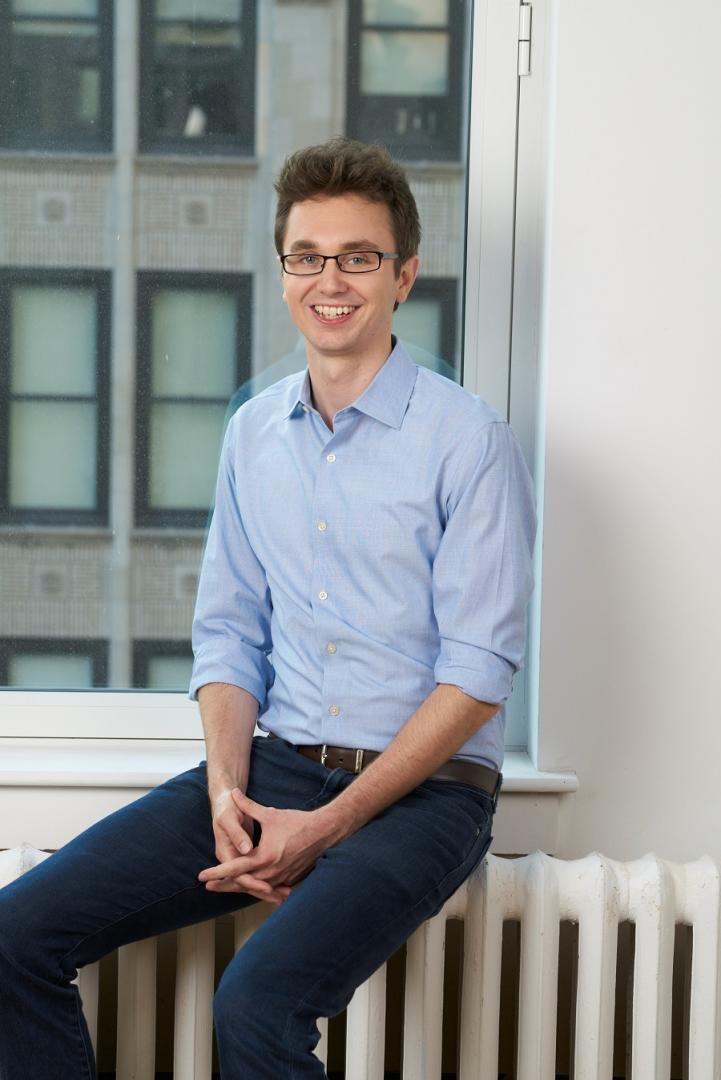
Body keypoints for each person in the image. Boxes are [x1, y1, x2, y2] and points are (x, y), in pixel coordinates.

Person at [0, 137, 536, 1079]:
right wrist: (227, 795)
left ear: (403, 274)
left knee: (256, 1004)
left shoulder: (468, 440)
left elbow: (478, 675)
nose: (330, 280)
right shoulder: (253, 431)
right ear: (283, 271)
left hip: (425, 795)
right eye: (307, 256)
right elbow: (229, 637)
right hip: (275, 766)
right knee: (13, 935)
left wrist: (324, 830)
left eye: (358, 257)